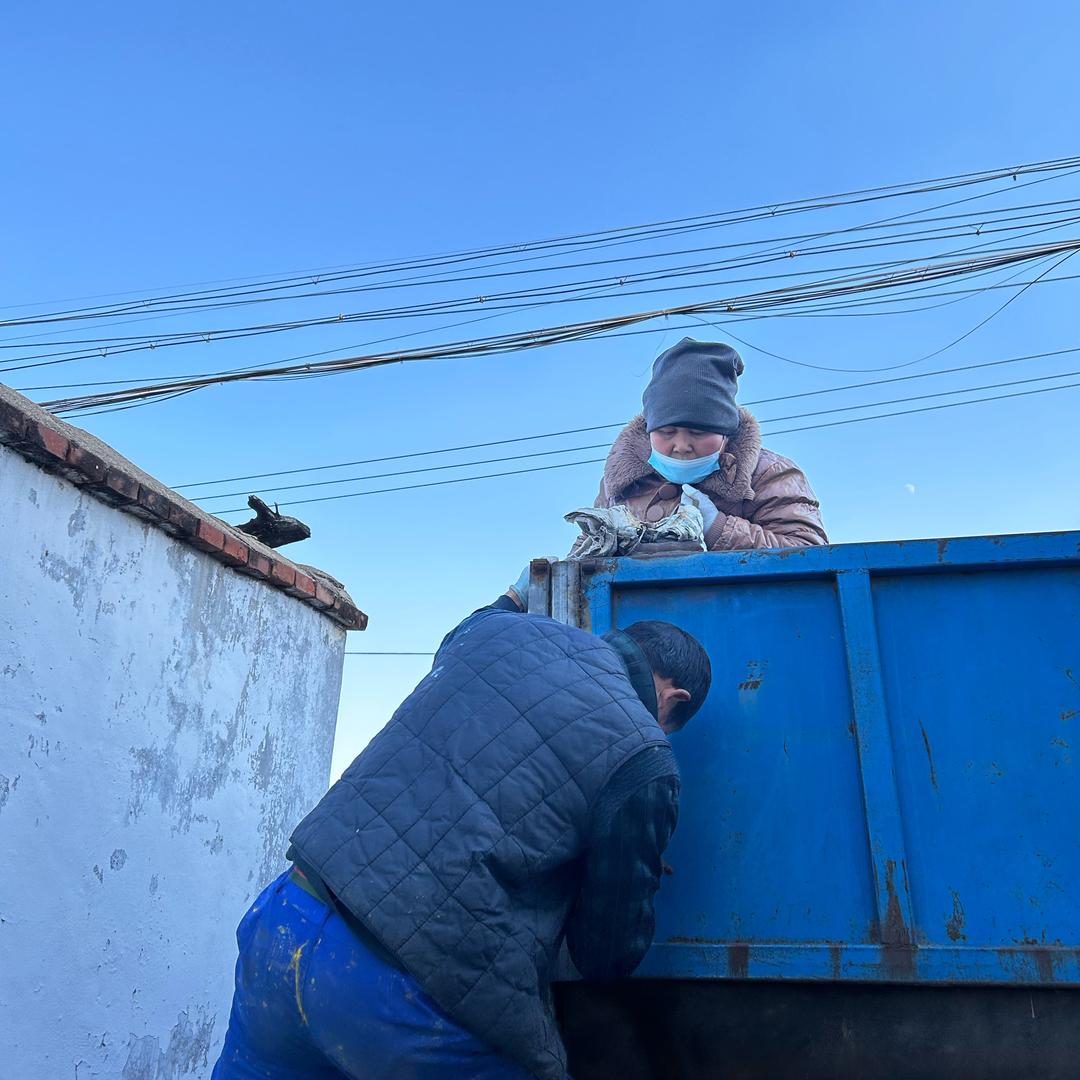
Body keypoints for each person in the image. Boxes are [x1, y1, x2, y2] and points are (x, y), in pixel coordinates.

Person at [212, 585, 712, 1080]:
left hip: (287, 921)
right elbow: (605, 954)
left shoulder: (498, 631)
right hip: (407, 990)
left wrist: (513, 596)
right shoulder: (645, 756)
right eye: (669, 724)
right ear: (673, 698)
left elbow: (460, 632)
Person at [585, 337, 827, 551]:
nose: (681, 445)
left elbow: (809, 552)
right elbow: (583, 558)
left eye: (698, 432)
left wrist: (717, 527)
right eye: (666, 431)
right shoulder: (621, 483)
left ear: (725, 432)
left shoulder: (768, 474)